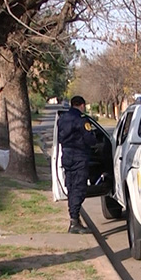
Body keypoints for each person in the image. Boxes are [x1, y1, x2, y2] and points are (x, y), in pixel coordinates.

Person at [57, 95, 96, 234]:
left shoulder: (62, 119)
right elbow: (90, 139)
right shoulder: (81, 119)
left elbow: (60, 138)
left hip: (67, 156)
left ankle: (74, 218)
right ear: (82, 105)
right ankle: (74, 221)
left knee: (71, 187)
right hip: (79, 156)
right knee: (79, 188)